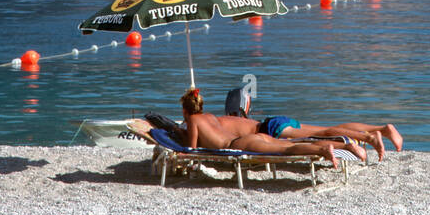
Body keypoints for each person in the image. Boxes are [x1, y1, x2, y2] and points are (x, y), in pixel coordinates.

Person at [170, 88, 367, 166]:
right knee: (289, 143)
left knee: (288, 149)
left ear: (185, 110)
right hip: (248, 138)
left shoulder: (192, 121)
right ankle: (345, 146)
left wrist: (179, 136)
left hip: (241, 146)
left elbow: (192, 149)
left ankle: (325, 149)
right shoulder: (212, 116)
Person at [216, 86, 403, 159]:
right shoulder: (232, 119)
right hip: (276, 122)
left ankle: (368, 138)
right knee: (328, 129)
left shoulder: (219, 125)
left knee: (319, 136)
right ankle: (382, 130)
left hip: (271, 128)